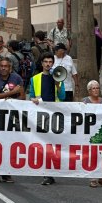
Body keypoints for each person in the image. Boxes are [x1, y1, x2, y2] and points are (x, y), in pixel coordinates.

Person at [29, 53, 65, 186]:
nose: (48, 64)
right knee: (43, 143)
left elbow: (62, 97)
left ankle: (50, 171)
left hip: (55, 115)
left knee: (53, 144)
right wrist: (33, 99)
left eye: (50, 62)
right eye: (46, 61)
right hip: (41, 115)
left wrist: (58, 85)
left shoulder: (58, 77)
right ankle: (47, 173)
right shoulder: (35, 79)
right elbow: (31, 96)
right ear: (42, 63)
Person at [0, 56, 24, 184]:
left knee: (9, 144)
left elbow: (22, 97)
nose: (3, 68)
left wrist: (12, 101)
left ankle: (6, 172)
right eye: (1, 66)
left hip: (11, 117)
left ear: (10, 68)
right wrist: (11, 93)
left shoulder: (17, 78)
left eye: (6, 66)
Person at [82, 80, 102, 188]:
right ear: (89, 91)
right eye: (93, 88)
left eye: (97, 88)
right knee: (92, 155)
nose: (96, 90)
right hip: (89, 133)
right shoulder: (84, 101)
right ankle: (93, 178)